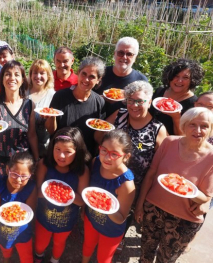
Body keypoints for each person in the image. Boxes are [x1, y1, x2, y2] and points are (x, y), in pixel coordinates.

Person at [95, 80, 167, 253]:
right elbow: (98, 136)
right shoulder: (118, 115)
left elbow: (160, 165)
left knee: (124, 214)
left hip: (136, 186)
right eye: (130, 100)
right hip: (109, 178)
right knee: (102, 207)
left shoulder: (158, 129)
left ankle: (117, 240)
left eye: (140, 101)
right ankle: (98, 233)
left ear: (149, 102)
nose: (134, 105)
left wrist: (142, 200)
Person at [134, 107, 213, 262]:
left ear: (211, 129)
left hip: (184, 219)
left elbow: (205, 198)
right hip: (153, 209)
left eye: (204, 126)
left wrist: (185, 187)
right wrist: (139, 205)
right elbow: (151, 174)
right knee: (145, 254)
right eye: (192, 124)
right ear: (183, 125)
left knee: (166, 259)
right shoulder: (169, 142)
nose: (198, 130)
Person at [34, 127, 90, 263]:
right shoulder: (44, 164)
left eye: (68, 152)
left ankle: (55, 260)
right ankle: (38, 256)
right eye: (57, 149)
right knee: (40, 243)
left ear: (77, 152)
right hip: (43, 217)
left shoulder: (82, 171)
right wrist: (50, 192)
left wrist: (66, 194)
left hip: (66, 220)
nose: (61, 156)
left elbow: (82, 201)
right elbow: (36, 191)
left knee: (59, 243)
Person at [82, 129, 135, 263]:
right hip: (91, 219)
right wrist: (85, 210)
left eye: (114, 154)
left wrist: (105, 207)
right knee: (87, 246)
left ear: (126, 156)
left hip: (111, 229)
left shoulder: (126, 184)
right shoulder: (96, 162)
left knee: (104, 258)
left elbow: (121, 218)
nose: (106, 157)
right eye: (104, 150)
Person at [0, 60, 39, 179]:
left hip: (22, 165)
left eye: (17, 74)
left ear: (23, 79)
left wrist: (36, 159)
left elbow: (32, 135)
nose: (12, 78)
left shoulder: (29, 105)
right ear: (2, 79)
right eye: (7, 74)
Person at [45, 56, 105, 156]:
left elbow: (97, 138)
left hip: (84, 158)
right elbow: (51, 131)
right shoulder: (60, 96)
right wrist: (51, 117)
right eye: (84, 74)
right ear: (78, 73)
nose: (86, 79)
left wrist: (103, 129)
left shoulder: (99, 102)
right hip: (60, 157)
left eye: (92, 77)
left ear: (98, 80)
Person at [0, 152, 37, 263]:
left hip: (22, 231)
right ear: (7, 170)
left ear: (30, 175)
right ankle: (6, 258)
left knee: (26, 255)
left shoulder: (31, 187)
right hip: (3, 230)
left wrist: (18, 216)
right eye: (14, 174)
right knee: (6, 248)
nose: (18, 180)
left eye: (24, 176)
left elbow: (30, 211)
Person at [94, 37, 148, 117]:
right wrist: (100, 98)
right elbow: (85, 96)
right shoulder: (100, 73)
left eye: (129, 54)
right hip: (95, 122)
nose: (124, 57)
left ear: (135, 58)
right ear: (114, 54)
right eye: (120, 53)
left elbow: (143, 110)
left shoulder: (141, 81)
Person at [151, 58, 204, 135]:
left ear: (193, 80)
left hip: (169, 144)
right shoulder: (160, 91)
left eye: (185, 77)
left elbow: (184, 137)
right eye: (176, 76)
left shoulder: (193, 104)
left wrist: (176, 117)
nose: (179, 81)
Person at [26, 59, 55, 157]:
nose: (38, 76)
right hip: (23, 145)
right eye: (35, 73)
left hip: (44, 147)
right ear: (30, 74)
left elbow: (53, 129)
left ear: (48, 76)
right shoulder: (23, 93)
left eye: (42, 73)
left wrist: (51, 117)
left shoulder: (53, 95)